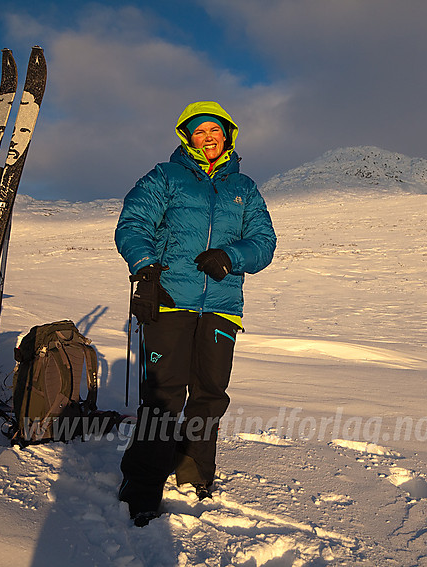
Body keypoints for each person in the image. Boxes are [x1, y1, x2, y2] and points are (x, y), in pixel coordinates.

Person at [114, 101, 277, 526]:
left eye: (215, 130)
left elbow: (264, 242)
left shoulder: (245, 187)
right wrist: (146, 269)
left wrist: (230, 255)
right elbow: (133, 224)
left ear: (228, 136)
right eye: (199, 130)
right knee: (164, 395)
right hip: (169, 301)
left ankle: (193, 472)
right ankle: (143, 483)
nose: (208, 137)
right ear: (187, 136)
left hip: (222, 308)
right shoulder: (165, 177)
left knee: (209, 395)